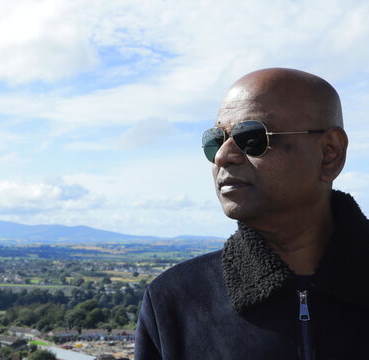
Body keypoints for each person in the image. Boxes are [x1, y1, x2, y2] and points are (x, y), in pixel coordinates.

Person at [135, 68, 369, 359]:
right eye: (216, 140)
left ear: (329, 153)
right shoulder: (174, 302)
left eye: (252, 137)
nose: (222, 155)